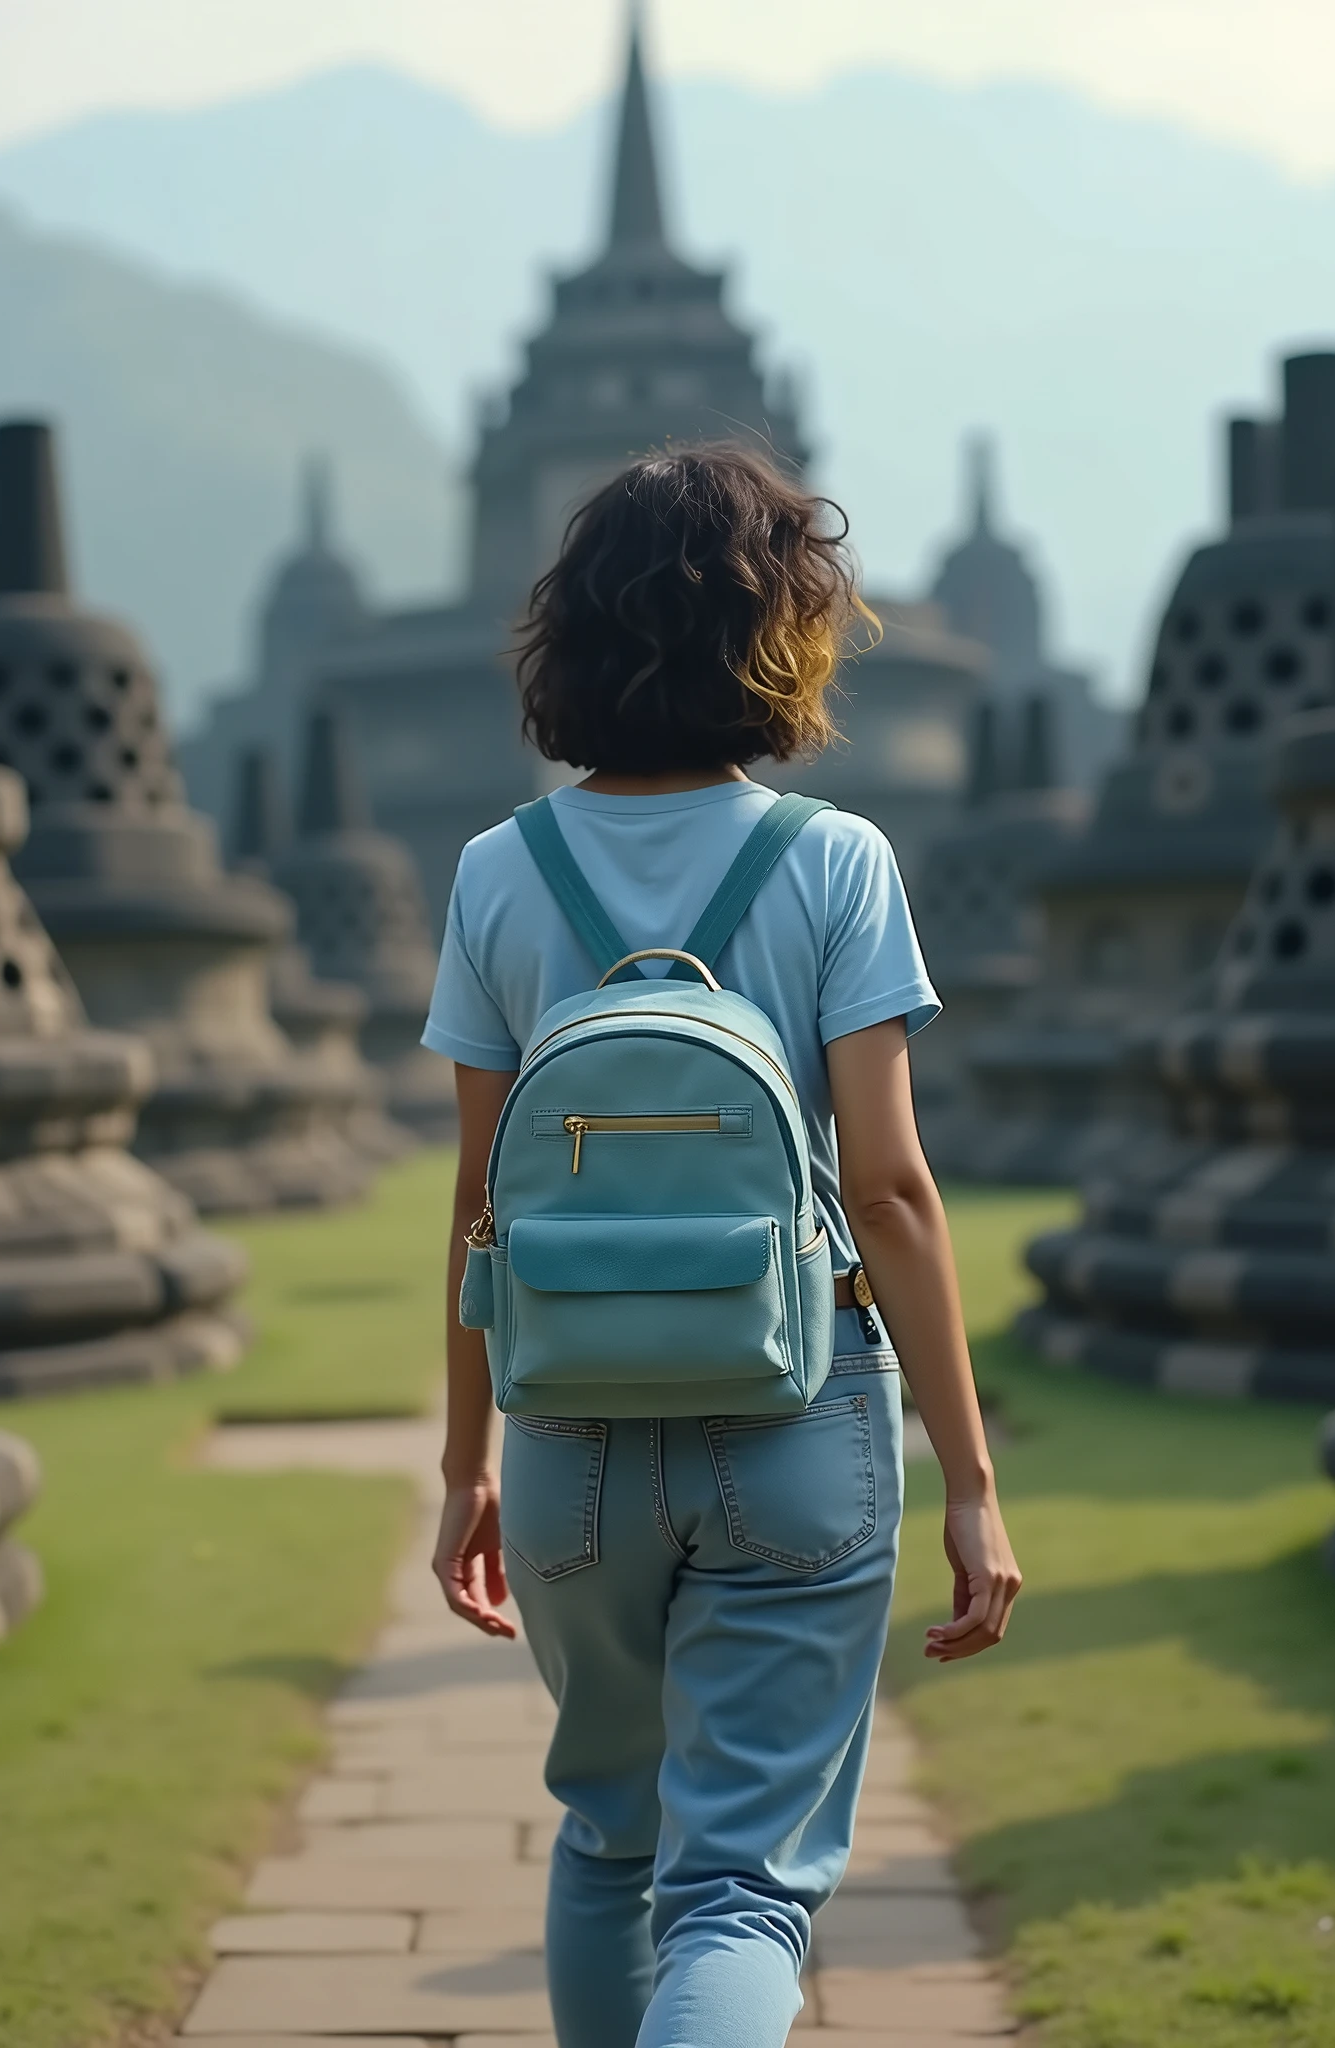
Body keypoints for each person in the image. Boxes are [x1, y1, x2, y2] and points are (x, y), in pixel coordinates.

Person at [423, 445, 1021, 2048]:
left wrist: (464, 1464)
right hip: (802, 1407)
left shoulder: (497, 870)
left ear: (573, 639)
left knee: (611, 1840)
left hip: (568, 1433)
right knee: (742, 1893)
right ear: (789, 630)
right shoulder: (835, 862)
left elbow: (484, 1203)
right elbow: (889, 1191)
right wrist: (969, 1479)